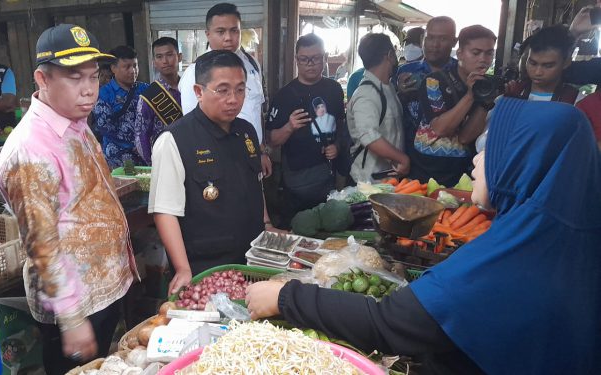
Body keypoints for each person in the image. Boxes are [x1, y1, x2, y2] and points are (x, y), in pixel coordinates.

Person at [246, 97, 601, 374]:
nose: (475, 162)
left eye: (489, 152)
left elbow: (389, 322)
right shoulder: (568, 239)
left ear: (526, 162)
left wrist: (287, 297)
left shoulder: (513, 257)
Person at [0, 24, 136, 375]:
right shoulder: (29, 151)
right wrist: (71, 320)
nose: (89, 90)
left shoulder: (74, 118)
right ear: (42, 79)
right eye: (75, 78)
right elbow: (42, 246)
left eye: (93, 76)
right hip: (76, 304)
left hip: (103, 289)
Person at [149, 50, 269, 294]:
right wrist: (183, 269)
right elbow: (165, 211)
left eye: (240, 89)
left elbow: (256, 184)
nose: (233, 99)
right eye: (222, 90)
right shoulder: (174, 140)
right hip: (206, 267)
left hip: (252, 259)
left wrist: (267, 224)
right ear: (198, 92)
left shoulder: (246, 132)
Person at [179, 3, 271, 177]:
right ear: (208, 34)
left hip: (252, 154)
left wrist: (262, 150)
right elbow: (193, 126)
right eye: (220, 32)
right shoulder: (196, 73)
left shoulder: (252, 65)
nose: (228, 38)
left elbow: (256, 110)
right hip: (218, 161)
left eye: (234, 30)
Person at [266, 34, 348, 226]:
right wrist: (289, 127)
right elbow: (271, 140)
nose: (310, 64)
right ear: (296, 60)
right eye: (304, 59)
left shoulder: (335, 89)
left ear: (325, 57)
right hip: (296, 184)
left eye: (316, 58)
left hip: (329, 179)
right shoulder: (284, 95)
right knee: (297, 230)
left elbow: (341, 126)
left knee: (330, 229)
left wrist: (336, 146)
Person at [409, 25, 495, 186]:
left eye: (489, 53)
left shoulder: (485, 87)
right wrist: (470, 96)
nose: (483, 59)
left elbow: (465, 137)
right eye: (476, 53)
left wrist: (484, 100)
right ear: (460, 53)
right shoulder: (434, 81)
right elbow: (440, 128)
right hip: (426, 173)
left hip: (461, 175)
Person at [347, 33, 408, 183]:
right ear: (389, 55)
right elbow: (369, 136)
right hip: (369, 181)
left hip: (388, 178)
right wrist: (402, 158)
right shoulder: (366, 94)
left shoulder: (388, 87)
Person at [395, 17, 458, 152]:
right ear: (422, 39)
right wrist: (400, 94)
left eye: (442, 39)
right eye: (430, 38)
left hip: (450, 156)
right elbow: (392, 112)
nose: (434, 45)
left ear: (454, 42)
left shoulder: (460, 73)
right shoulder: (406, 71)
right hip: (409, 153)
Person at [91, 45, 150, 168]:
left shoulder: (146, 89)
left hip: (146, 156)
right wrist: (134, 145)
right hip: (118, 157)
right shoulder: (104, 94)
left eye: (135, 65)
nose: (133, 70)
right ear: (113, 68)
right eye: (127, 67)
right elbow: (105, 127)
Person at [134, 37, 183, 165]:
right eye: (159, 57)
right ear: (154, 62)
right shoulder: (148, 96)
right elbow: (141, 136)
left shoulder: (191, 88)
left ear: (179, 57)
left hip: (193, 155)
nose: (165, 61)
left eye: (169, 55)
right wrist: (153, 165)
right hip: (165, 159)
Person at [504, 25, 582, 103]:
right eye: (532, 63)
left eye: (548, 66)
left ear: (566, 63)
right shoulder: (513, 92)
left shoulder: (575, 100)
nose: (538, 72)